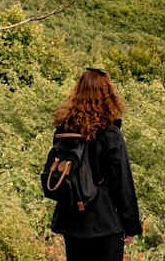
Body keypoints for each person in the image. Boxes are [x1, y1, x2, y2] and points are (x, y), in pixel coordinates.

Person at [50, 68, 142, 260]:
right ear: (108, 95)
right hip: (105, 222)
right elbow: (122, 182)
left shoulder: (64, 130)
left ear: (78, 92)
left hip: (72, 221)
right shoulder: (110, 134)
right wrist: (131, 225)